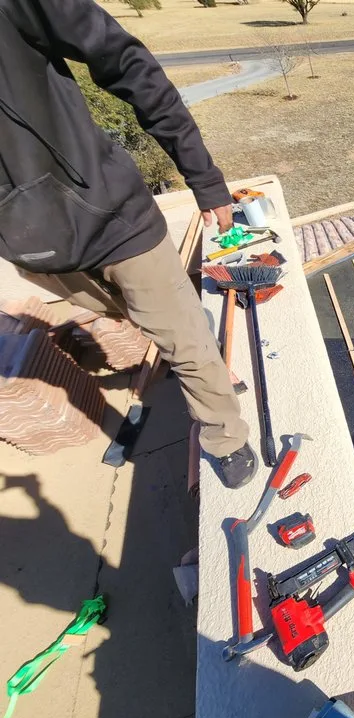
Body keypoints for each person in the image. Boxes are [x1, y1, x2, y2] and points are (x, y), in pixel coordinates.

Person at [0, 0, 255, 488]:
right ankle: (182, 327)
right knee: (145, 319)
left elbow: (126, 60)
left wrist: (203, 176)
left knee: (184, 342)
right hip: (33, 249)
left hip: (114, 218)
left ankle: (225, 434)